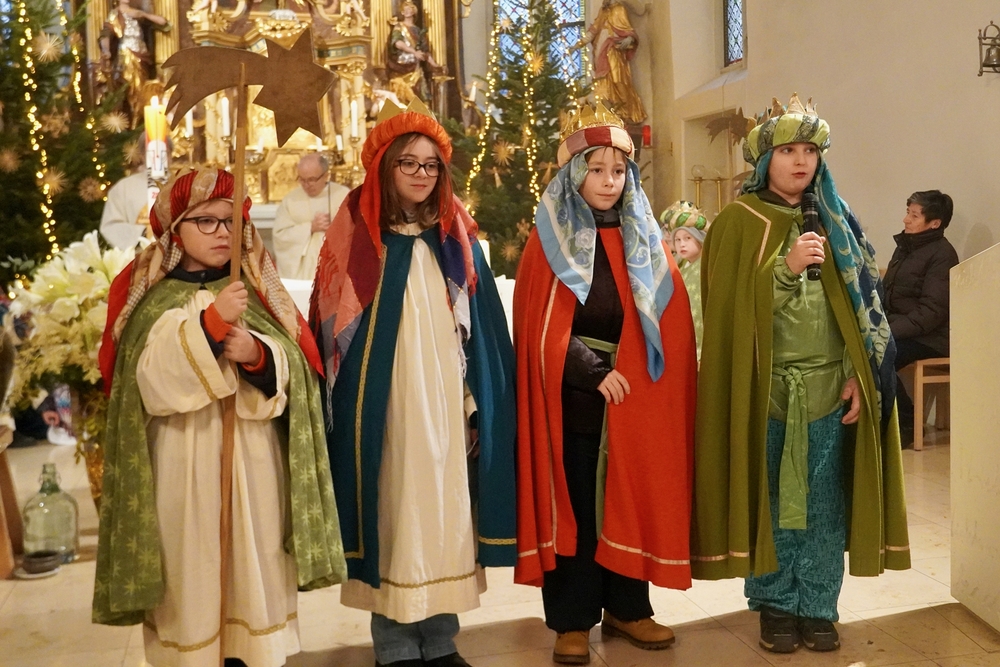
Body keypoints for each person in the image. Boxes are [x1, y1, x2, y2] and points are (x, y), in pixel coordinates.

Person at [94, 168, 347, 667]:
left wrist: (257, 353)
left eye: (231, 222)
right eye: (205, 221)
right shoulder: (153, 297)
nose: (222, 233)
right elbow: (150, 381)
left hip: (254, 463)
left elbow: (299, 372)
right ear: (175, 229)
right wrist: (210, 324)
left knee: (254, 571)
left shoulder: (255, 292)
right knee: (192, 572)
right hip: (181, 462)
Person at [691, 94, 910, 655]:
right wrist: (786, 270)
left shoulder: (837, 221)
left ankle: (817, 605)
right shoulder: (737, 222)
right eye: (789, 150)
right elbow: (730, 314)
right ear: (766, 159)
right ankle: (774, 603)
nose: (800, 161)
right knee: (772, 501)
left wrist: (857, 372)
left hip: (829, 386)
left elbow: (859, 310)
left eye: (810, 151)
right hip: (764, 387)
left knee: (823, 503)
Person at [309, 98, 516, 667]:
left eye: (431, 165)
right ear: (385, 166)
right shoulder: (356, 235)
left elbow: (478, 335)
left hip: (444, 403)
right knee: (393, 511)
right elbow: (331, 329)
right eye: (409, 163)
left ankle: (441, 638)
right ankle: (396, 643)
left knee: (444, 512)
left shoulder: (456, 237)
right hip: (386, 406)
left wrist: (475, 405)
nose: (422, 174)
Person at [514, 103, 696, 665]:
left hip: (635, 393)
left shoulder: (645, 236)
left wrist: (641, 371)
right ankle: (572, 619)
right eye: (596, 169)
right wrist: (592, 372)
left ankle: (627, 607)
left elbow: (667, 314)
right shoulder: (551, 238)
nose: (609, 180)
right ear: (575, 173)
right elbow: (539, 324)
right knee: (577, 504)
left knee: (629, 495)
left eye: (618, 170)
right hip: (575, 395)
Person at [883, 190, 958, 447]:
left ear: (935, 223)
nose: (906, 219)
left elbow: (931, 312)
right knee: (858, 347)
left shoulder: (943, 255)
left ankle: (907, 423)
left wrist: (887, 330)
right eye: (908, 212)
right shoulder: (905, 247)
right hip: (903, 329)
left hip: (931, 337)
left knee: (879, 354)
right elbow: (889, 294)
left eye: (914, 215)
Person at [272, 154, 350, 280]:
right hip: (302, 275)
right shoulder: (291, 200)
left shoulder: (343, 195)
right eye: (302, 180)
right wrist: (310, 227)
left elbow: (354, 231)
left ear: (326, 175)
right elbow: (280, 236)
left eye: (312, 179)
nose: (307, 185)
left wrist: (334, 227)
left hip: (335, 269)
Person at [576, 0, 647, 125]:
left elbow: (628, 30)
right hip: (601, 52)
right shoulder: (603, 11)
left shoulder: (619, 9)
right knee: (603, 84)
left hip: (614, 51)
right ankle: (609, 114)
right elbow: (593, 31)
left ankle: (626, 113)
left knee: (619, 81)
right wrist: (578, 44)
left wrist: (629, 39)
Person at [100, 0, 169, 126]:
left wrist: (143, 14)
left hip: (142, 57)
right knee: (131, 88)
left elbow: (163, 22)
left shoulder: (137, 14)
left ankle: (138, 121)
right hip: (127, 56)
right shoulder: (115, 14)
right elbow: (106, 34)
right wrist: (106, 50)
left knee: (141, 89)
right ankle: (132, 122)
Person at [660, 200, 709, 360]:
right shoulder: (678, 265)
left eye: (688, 238)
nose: (682, 244)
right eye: (678, 240)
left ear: (699, 238)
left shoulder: (708, 265)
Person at [385, 0, 440, 104]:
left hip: (415, 68)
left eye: (409, 9)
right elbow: (398, 43)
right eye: (404, 9)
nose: (407, 11)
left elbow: (425, 51)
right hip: (401, 66)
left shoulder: (418, 31)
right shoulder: (399, 27)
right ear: (402, 12)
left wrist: (434, 64)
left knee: (419, 96)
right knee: (402, 96)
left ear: (414, 11)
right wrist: (414, 52)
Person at [100, 167, 150, 249]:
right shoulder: (123, 187)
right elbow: (110, 226)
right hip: (139, 254)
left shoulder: (174, 183)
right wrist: (144, 234)